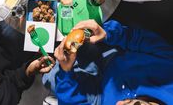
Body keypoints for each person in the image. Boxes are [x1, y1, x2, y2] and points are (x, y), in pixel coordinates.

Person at [43, 19, 173, 105]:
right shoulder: (168, 67)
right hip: (114, 52)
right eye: (131, 103)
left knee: (49, 78)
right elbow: (135, 37)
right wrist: (107, 33)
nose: (118, 103)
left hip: (100, 96)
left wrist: (66, 71)